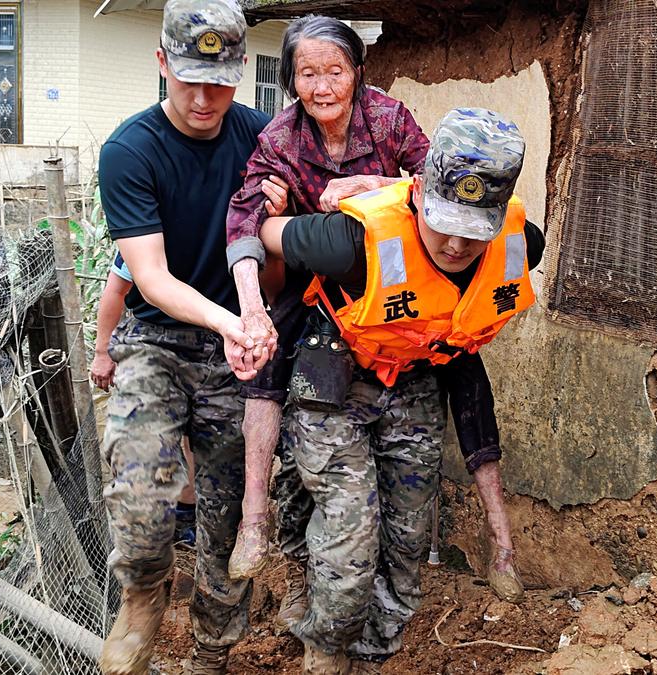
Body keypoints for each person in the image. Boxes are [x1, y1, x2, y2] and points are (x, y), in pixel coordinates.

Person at [259, 108, 543, 674]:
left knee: (408, 542)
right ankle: (324, 649)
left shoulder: (519, 244)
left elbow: (467, 356)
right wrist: (281, 211)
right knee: (349, 541)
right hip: (334, 377)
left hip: (412, 381)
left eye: (474, 229)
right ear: (419, 199)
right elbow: (267, 233)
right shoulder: (348, 241)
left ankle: (374, 654)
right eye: (445, 223)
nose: (459, 244)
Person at [222, 14, 430, 616]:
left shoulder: (389, 118)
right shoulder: (282, 138)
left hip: (393, 279)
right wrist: (252, 308)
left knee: (458, 365)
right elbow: (244, 219)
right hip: (315, 286)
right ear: (290, 79)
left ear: (357, 73)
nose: (322, 87)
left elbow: (436, 182)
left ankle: (491, 543)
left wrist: (372, 184)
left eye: (334, 71)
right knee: (263, 364)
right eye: (307, 74)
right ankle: (254, 517)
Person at [94, 0, 273, 671]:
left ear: (241, 69)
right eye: (189, 77)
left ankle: (212, 653)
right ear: (163, 62)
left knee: (229, 521)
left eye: (220, 80)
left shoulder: (262, 138)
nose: (204, 97)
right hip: (157, 343)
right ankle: (143, 595)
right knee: (140, 492)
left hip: (241, 354)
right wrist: (229, 318)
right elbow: (150, 276)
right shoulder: (130, 150)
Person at [90, 256, 197, 548]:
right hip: (151, 343)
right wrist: (102, 352)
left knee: (196, 438)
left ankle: (187, 515)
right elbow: (116, 289)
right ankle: (148, 532)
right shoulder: (143, 233)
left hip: (211, 345)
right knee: (148, 440)